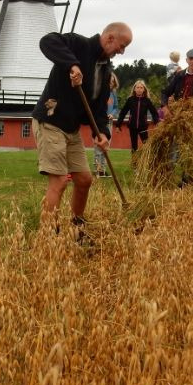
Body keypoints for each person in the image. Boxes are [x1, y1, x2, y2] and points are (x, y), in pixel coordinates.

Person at [32, 22, 132, 239]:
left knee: (85, 179)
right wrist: (72, 65)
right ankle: (48, 236)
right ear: (109, 38)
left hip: (71, 128)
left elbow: (96, 110)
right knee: (59, 181)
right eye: (122, 46)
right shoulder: (79, 44)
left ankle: (77, 227)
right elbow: (47, 41)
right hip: (51, 121)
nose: (121, 52)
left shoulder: (105, 71)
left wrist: (102, 132)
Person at [117, 79, 159, 152]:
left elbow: (154, 112)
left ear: (144, 90)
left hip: (143, 126)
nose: (139, 89)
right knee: (134, 147)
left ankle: (146, 161)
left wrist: (157, 123)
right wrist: (118, 125)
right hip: (132, 126)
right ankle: (134, 162)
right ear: (134, 89)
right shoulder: (130, 100)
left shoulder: (147, 100)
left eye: (141, 88)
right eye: (137, 87)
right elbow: (123, 112)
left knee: (146, 145)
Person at [93, 73, 120, 177]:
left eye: (112, 81)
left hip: (109, 122)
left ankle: (103, 170)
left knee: (106, 146)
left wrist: (112, 114)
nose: (110, 83)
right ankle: (97, 169)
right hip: (99, 122)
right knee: (98, 146)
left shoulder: (113, 93)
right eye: (109, 81)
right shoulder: (99, 92)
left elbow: (116, 107)